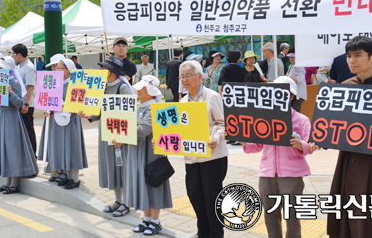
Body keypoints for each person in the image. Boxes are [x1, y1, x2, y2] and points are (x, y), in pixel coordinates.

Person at [322, 36, 372, 238]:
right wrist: (320, 138)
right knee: (347, 211)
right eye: (349, 56)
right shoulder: (345, 86)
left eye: (357, 55)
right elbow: (332, 124)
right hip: (349, 159)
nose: (351, 60)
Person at [228, 76, 313, 238]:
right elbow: (257, 145)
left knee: (292, 217)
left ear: (291, 96)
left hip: (292, 175)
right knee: (270, 215)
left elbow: (310, 146)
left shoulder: (301, 120)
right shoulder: (264, 119)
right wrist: (241, 139)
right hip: (267, 174)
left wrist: (298, 143)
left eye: (280, 93)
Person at [78, 56, 135, 217]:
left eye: (105, 68)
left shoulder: (123, 88)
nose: (102, 71)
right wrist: (88, 115)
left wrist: (123, 138)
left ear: (113, 72)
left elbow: (129, 114)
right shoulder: (103, 87)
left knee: (121, 168)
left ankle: (126, 203)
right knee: (112, 167)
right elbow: (100, 111)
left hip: (119, 136)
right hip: (105, 133)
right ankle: (118, 200)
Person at [179, 60, 228, 238]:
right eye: (182, 76)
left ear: (200, 77)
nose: (184, 80)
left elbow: (223, 123)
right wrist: (162, 140)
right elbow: (178, 130)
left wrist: (216, 138)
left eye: (188, 76)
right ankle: (203, 232)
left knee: (212, 199)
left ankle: (215, 234)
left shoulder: (212, 96)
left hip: (212, 157)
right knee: (195, 196)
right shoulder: (182, 102)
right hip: (192, 158)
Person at [122, 75, 173, 236]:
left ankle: (155, 221)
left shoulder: (154, 107)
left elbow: (143, 130)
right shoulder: (143, 105)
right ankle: (147, 219)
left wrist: (122, 133)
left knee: (153, 183)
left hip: (150, 153)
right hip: (139, 150)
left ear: (150, 90)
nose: (137, 90)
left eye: (141, 88)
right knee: (142, 183)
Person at [0, 58, 38, 194]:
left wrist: (10, 93)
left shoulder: (13, 82)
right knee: (3, 148)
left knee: (12, 149)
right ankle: (8, 182)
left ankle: (14, 183)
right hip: (0, 116)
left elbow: (19, 103)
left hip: (11, 118)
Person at [43, 59, 88, 189]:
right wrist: (49, 110)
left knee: (72, 147)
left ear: (69, 69)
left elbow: (78, 104)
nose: (58, 70)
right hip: (57, 120)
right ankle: (66, 176)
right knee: (61, 147)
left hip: (71, 120)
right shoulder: (56, 83)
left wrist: (61, 107)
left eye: (61, 68)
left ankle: (74, 178)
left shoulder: (75, 84)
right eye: (57, 68)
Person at [38, 53, 66, 181]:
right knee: (52, 144)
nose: (55, 69)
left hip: (63, 118)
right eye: (53, 66)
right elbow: (45, 98)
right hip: (50, 117)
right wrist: (46, 109)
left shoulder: (68, 82)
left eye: (57, 66)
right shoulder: (50, 80)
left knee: (60, 144)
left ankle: (62, 171)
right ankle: (54, 170)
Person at [12, 43, 38, 158]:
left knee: (28, 129)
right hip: (19, 103)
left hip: (26, 104)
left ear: (19, 54)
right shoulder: (19, 67)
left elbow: (31, 87)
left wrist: (26, 104)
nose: (13, 56)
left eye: (14, 54)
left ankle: (32, 154)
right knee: (22, 129)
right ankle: (25, 153)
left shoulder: (29, 67)